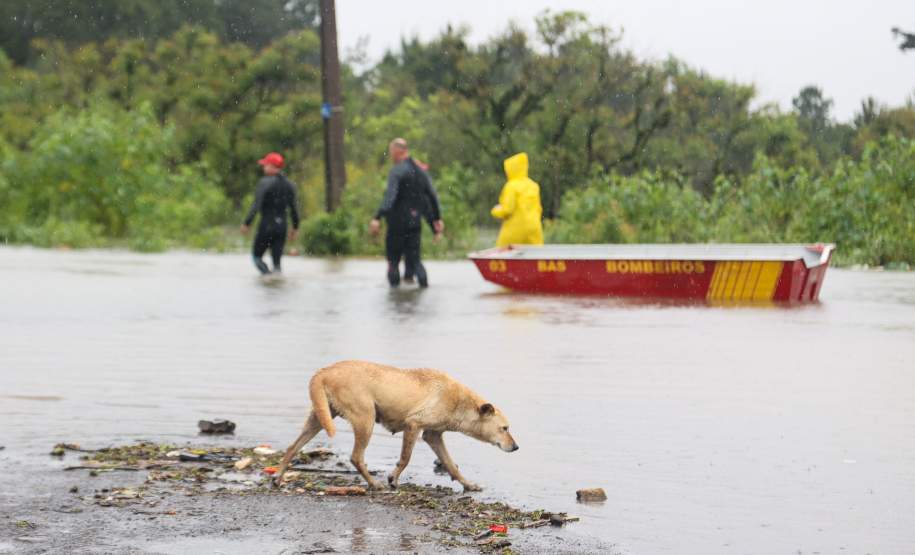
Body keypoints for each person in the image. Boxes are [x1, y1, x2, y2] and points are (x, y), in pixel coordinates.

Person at [369, 138, 443, 288]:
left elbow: (390, 197)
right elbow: (432, 196)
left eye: (391, 152)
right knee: (416, 261)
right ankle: (424, 290)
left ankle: (394, 295)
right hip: (414, 223)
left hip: (396, 224)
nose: (391, 155)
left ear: (397, 151)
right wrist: (436, 219)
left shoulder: (397, 171)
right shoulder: (421, 171)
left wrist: (377, 217)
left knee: (393, 262)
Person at [240, 152, 300, 274]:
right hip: (282, 227)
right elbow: (294, 208)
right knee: (277, 264)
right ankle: (276, 282)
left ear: (272, 166)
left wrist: (247, 223)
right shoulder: (290, 185)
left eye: (265, 165)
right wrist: (295, 227)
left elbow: (256, 205)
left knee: (256, 257)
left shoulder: (264, 182)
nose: (263, 167)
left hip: (266, 226)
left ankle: (267, 277)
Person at [491, 152, 544, 247]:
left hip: (515, 230)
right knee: (536, 253)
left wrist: (495, 211)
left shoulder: (511, 186)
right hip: (534, 229)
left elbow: (508, 210)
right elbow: (539, 209)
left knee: (501, 251)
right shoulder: (533, 186)